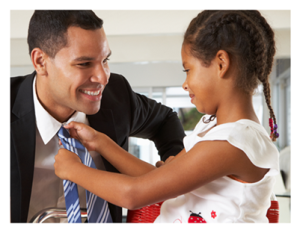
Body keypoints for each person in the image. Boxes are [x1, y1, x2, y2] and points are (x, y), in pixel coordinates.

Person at [54, 10, 280, 223]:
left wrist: (74, 170)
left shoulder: (234, 142)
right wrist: (101, 143)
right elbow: (154, 179)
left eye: (188, 70)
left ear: (221, 63)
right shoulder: (215, 132)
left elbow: (135, 194)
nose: (185, 84)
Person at [10, 10, 185, 223]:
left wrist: (176, 174)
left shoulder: (117, 95)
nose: (103, 77)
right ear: (40, 62)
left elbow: (164, 120)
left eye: (105, 60)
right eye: (84, 64)